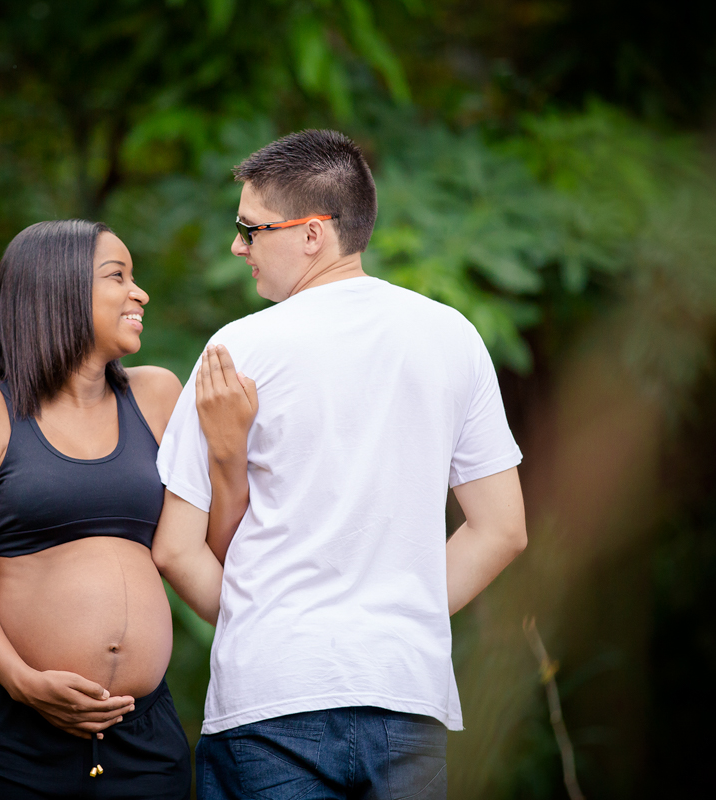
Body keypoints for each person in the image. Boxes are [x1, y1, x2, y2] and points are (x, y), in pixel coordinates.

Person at [153, 129, 529, 799]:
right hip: (407, 694)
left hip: (270, 700)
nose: (237, 246)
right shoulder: (453, 336)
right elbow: (502, 530)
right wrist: (399, 611)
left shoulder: (239, 349)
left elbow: (177, 550)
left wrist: (262, 621)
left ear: (311, 233)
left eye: (250, 228)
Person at [0, 219, 255, 799]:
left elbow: (218, 546)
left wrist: (230, 453)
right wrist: (23, 682)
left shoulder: (157, 396)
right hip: (12, 737)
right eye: (118, 277)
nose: (140, 293)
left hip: (142, 740)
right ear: (58, 290)